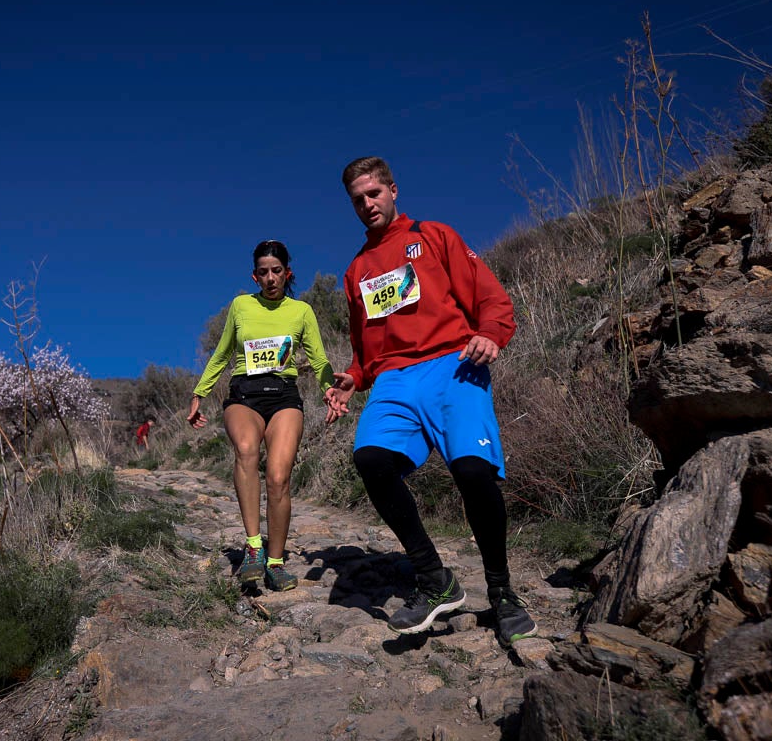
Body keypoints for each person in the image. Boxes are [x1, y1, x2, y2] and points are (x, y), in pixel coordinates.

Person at [324, 156, 537, 645]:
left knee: (471, 472)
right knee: (371, 460)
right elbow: (363, 346)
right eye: (357, 199)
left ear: (394, 190)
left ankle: (503, 593)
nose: (367, 204)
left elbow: (490, 297)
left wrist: (490, 334)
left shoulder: (436, 236)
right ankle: (435, 579)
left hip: (452, 364)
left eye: (374, 193)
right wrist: (354, 378)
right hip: (395, 380)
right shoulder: (356, 270)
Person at [188, 240, 341, 592]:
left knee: (278, 477)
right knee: (246, 450)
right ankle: (254, 547)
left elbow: (319, 360)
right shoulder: (241, 306)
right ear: (254, 276)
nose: (270, 278)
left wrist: (330, 389)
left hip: (284, 396)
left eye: (276, 271)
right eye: (263, 272)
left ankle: (276, 562)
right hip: (244, 395)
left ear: (287, 274)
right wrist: (200, 392)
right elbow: (222, 353)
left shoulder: (301, 311)